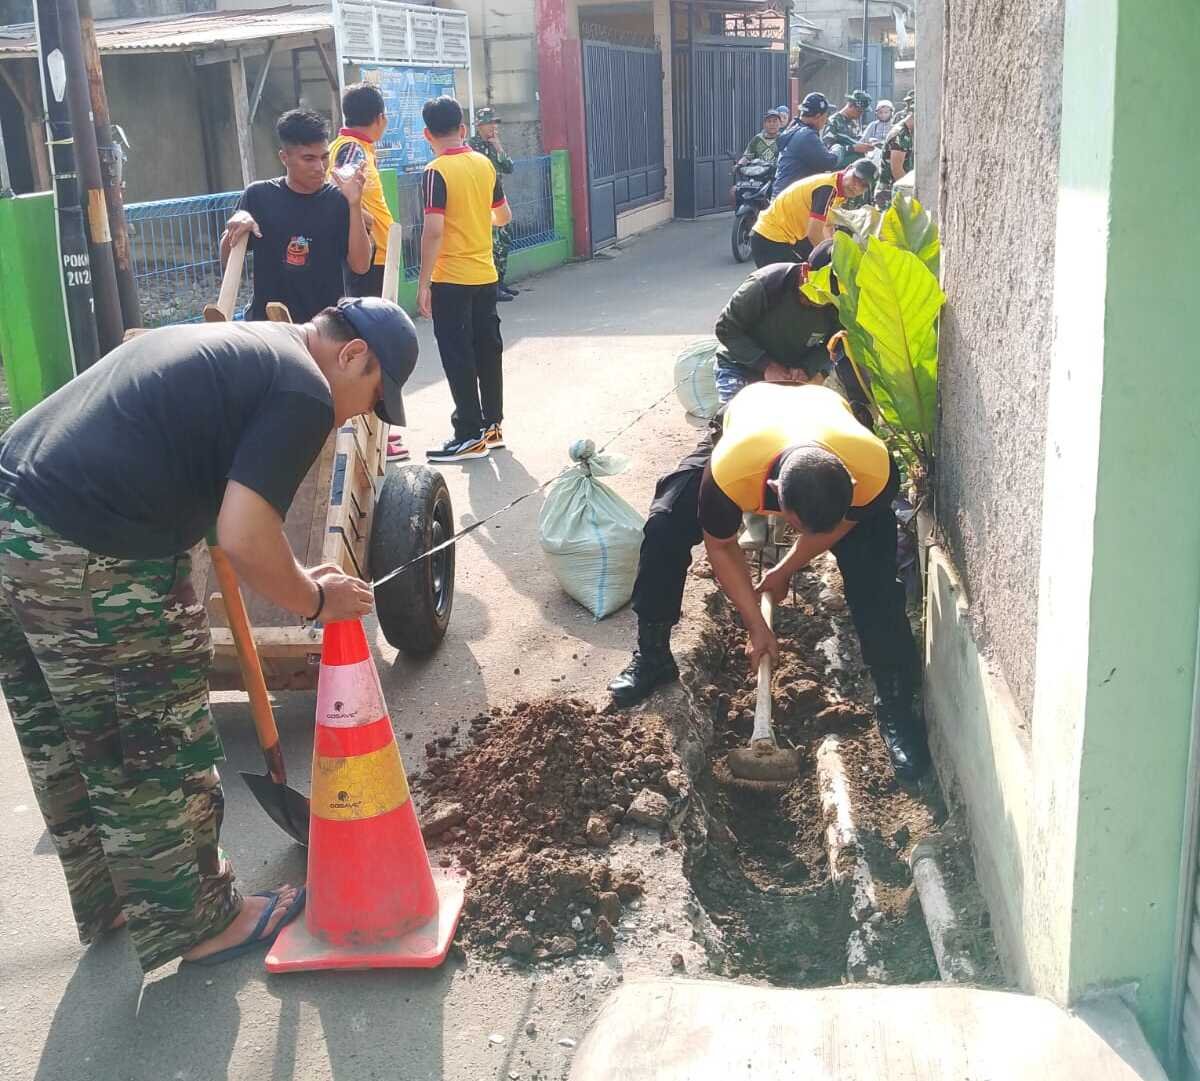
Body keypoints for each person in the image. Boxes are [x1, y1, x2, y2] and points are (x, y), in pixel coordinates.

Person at [0, 298, 419, 971]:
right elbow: (245, 533)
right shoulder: (305, 389)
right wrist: (317, 599)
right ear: (353, 355)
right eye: (371, 398)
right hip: (87, 543)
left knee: (68, 730)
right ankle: (199, 921)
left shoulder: (255, 343)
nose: (358, 416)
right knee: (150, 732)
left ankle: (112, 893)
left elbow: (221, 499)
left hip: (13, 513)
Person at [608, 381, 927, 782]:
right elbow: (722, 547)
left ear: (850, 485)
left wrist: (785, 569)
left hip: (826, 426)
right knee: (665, 525)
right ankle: (652, 654)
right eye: (792, 525)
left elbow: (838, 526)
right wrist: (757, 626)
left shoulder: (873, 468)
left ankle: (895, 702)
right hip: (749, 426)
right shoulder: (731, 470)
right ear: (774, 494)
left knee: (874, 573)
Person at [417, 95, 514, 463]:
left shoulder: (435, 171)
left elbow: (433, 231)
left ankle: (468, 433)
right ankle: (493, 426)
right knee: (488, 349)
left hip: (451, 279)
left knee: (458, 356)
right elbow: (503, 216)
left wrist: (424, 283)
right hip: (485, 274)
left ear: (428, 134)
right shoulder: (485, 165)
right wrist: (476, 220)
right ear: (462, 129)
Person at [221, 109, 372, 324]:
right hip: (269, 327)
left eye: (324, 157)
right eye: (308, 159)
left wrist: (355, 205)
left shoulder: (338, 200)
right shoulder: (258, 196)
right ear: (284, 157)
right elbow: (227, 262)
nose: (320, 168)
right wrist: (233, 230)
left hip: (323, 330)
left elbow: (361, 265)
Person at [328, 82, 411, 463]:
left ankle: (377, 424)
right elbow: (341, 191)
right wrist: (360, 220)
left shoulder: (359, 149)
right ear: (380, 119)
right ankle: (374, 424)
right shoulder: (349, 150)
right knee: (373, 345)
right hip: (366, 262)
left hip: (376, 258)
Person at [712, 256, 840, 405]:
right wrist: (766, 365)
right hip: (740, 365)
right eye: (811, 294)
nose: (813, 302)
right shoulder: (767, 284)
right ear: (805, 270)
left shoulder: (838, 303)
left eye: (824, 299)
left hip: (788, 375)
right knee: (736, 417)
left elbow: (836, 344)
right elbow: (725, 328)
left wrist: (806, 368)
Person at [751, 160, 877, 267]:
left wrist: (835, 253)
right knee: (798, 286)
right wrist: (832, 260)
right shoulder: (828, 188)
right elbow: (814, 233)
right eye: (856, 178)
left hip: (786, 237)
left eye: (863, 186)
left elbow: (826, 226)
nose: (856, 187)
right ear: (848, 169)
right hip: (770, 238)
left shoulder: (837, 190)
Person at [467, 107, 519, 303]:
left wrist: (499, 148)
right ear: (480, 125)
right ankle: (493, 287)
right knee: (492, 245)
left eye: (494, 123)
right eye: (489, 123)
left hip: (498, 201)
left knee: (504, 241)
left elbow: (509, 168)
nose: (493, 128)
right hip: (483, 203)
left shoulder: (494, 145)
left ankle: (501, 282)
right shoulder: (472, 146)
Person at [772, 92, 839, 196]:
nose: (826, 121)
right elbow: (828, 162)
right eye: (826, 116)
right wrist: (838, 149)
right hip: (791, 201)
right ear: (818, 116)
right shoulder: (806, 136)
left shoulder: (793, 128)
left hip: (782, 196)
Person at [822, 91, 875, 166]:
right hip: (840, 169)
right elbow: (827, 147)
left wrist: (866, 144)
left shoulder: (854, 122)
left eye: (863, 112)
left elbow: (857, 141)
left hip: (855, 166)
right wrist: (852, 148)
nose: (861, 115)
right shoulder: (833, 122)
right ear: (850, 105)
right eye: (859, 111)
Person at [877, 110, 915, 208]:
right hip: (890, 192)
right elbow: (897, 169)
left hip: (893, 191)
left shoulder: (904, 130)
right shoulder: (901, 134)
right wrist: (910, 193)